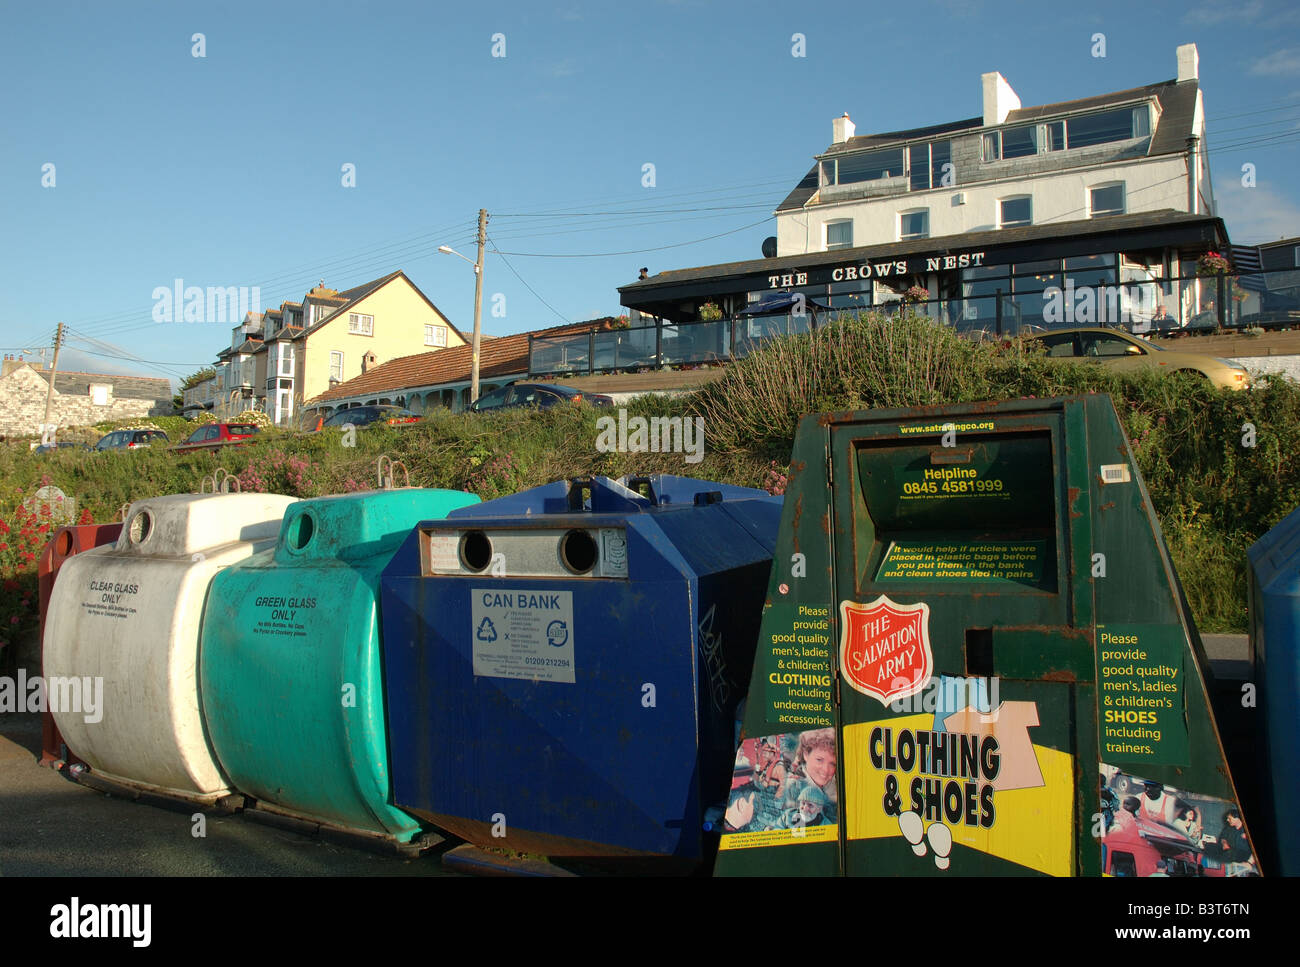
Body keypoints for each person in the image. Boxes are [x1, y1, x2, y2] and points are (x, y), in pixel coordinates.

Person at [779, 728, 838, 825]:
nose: (826, 770)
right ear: (806, 754)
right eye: (819, 760)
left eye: (832, 764)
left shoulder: (835, 783)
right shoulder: (795, 785)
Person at [1215, 809, 1255, 875]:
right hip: (1231, 860)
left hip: (1247, 862)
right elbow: (1223, 838)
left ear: (1237, 818)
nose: (1227, 820)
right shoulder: (1228, 828)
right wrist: (1224, 843)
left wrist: (1249, 863)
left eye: (1229, 818)